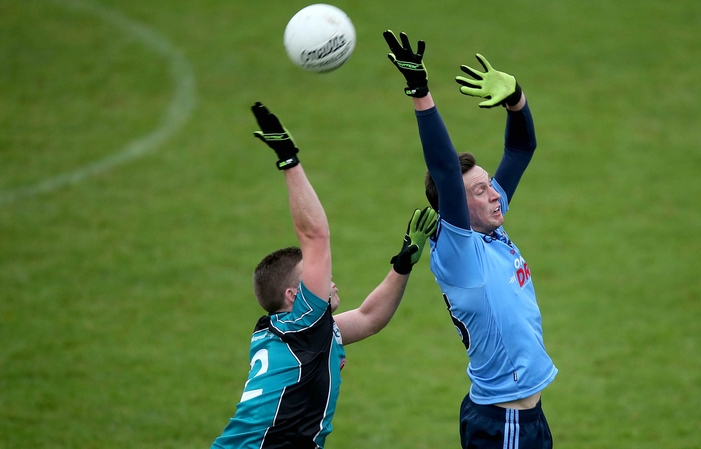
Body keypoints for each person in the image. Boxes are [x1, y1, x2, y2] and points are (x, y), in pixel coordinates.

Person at [211, 102, 438, 449]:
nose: (328, 279)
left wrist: (402, 265)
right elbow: (315, 236)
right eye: (311, 276)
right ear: (293, 295)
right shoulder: (304, 322)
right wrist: (289, 159)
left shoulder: (304, 332)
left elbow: (369, 318)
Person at [383, 31, 558, 448]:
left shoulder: (491, 227)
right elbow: (443, 168)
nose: (495, 193)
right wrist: (420, 93)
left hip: (522, 416)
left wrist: (516, 99)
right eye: (480, 190)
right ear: (454, 208)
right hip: (506, 424)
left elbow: (521, 148)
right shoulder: (461, 254)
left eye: (489, 185)